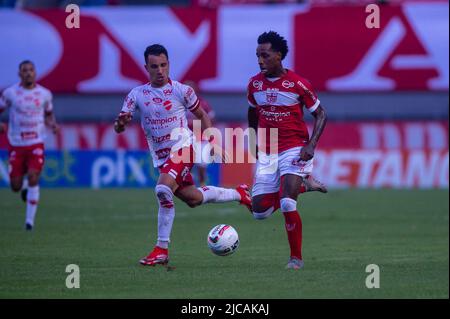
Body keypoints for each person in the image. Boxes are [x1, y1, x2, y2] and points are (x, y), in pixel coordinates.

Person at [114, 44, 252, 267]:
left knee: (162, 189)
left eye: (163, 65)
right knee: (193, 199)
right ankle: (239, 194)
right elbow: (120, 124)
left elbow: (202, 115)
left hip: (183, 148)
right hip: (161, 158)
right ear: (146, 67)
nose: (160, 70)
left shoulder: (181, 90)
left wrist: (214, 142)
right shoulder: (136, 95)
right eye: (154, 66)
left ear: (169, 64)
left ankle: (161, 249)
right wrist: (119, 125)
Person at [247, 31, 328, 269]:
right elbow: (252, 112)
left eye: (265, 55)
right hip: (269, 151)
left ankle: (296, 259)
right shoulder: (254, 84)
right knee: (259, 212)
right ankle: (304, 185)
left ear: (279, 56)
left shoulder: (298, 84)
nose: (260, 60)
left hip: (295, 148)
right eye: (257, 56)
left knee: (287, 203)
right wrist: (254, 141)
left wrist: (311, 144)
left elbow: (321, 113)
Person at [0, 60, 59, 230]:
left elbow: (49, 114)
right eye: (24, 70)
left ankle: (29, 223)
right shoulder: (10, 93)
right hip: (16, 143)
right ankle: (24, 187)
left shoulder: (45, 94)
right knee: (15, 186)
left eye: (31, 70)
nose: (28, 73)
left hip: (36, 141)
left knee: (34, 176)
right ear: (19, 74)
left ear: (35, 73)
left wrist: (53, 124)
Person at [184, 80, 216, 186]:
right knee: (185, 165)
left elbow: (211, 119)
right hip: (185, 139)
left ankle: (202, 185)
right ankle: (189, 186)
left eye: (191, 89)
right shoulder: (180, 104)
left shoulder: (203, 103)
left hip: (201, 138)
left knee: (201, 165)